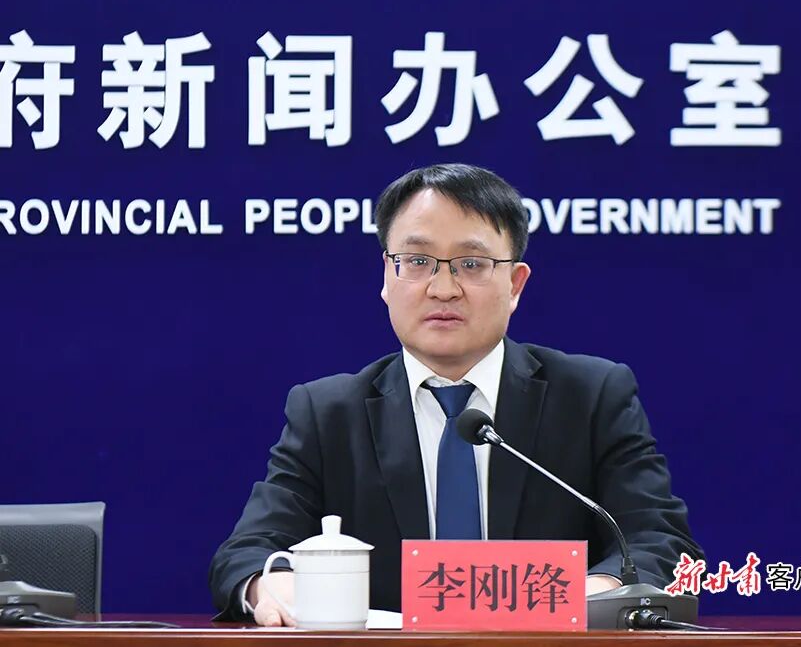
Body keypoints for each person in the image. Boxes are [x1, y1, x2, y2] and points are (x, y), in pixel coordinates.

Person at [209, 163, 703, 626]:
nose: (443, 288)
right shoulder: (328, 413)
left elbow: (661, 541)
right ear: (387, 276)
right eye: (417, 261)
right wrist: (271, 585)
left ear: (515, 284)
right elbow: (248, 552)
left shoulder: (591, 396)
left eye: (471, 263)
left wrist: (592, 592)